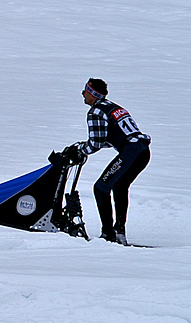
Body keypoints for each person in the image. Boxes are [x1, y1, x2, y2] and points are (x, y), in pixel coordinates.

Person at [65, 78, 151, 245]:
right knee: (119, 186)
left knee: (100, 188)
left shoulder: (95, 111)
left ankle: (108, 234)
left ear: (92, 94)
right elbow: (110, 138)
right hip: (143, 151)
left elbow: (95, 143)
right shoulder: (113, 107)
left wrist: (79, 149)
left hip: (131, 152)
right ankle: (119, 232)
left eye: (85, 91)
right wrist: (84, 147)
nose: (82, 94)